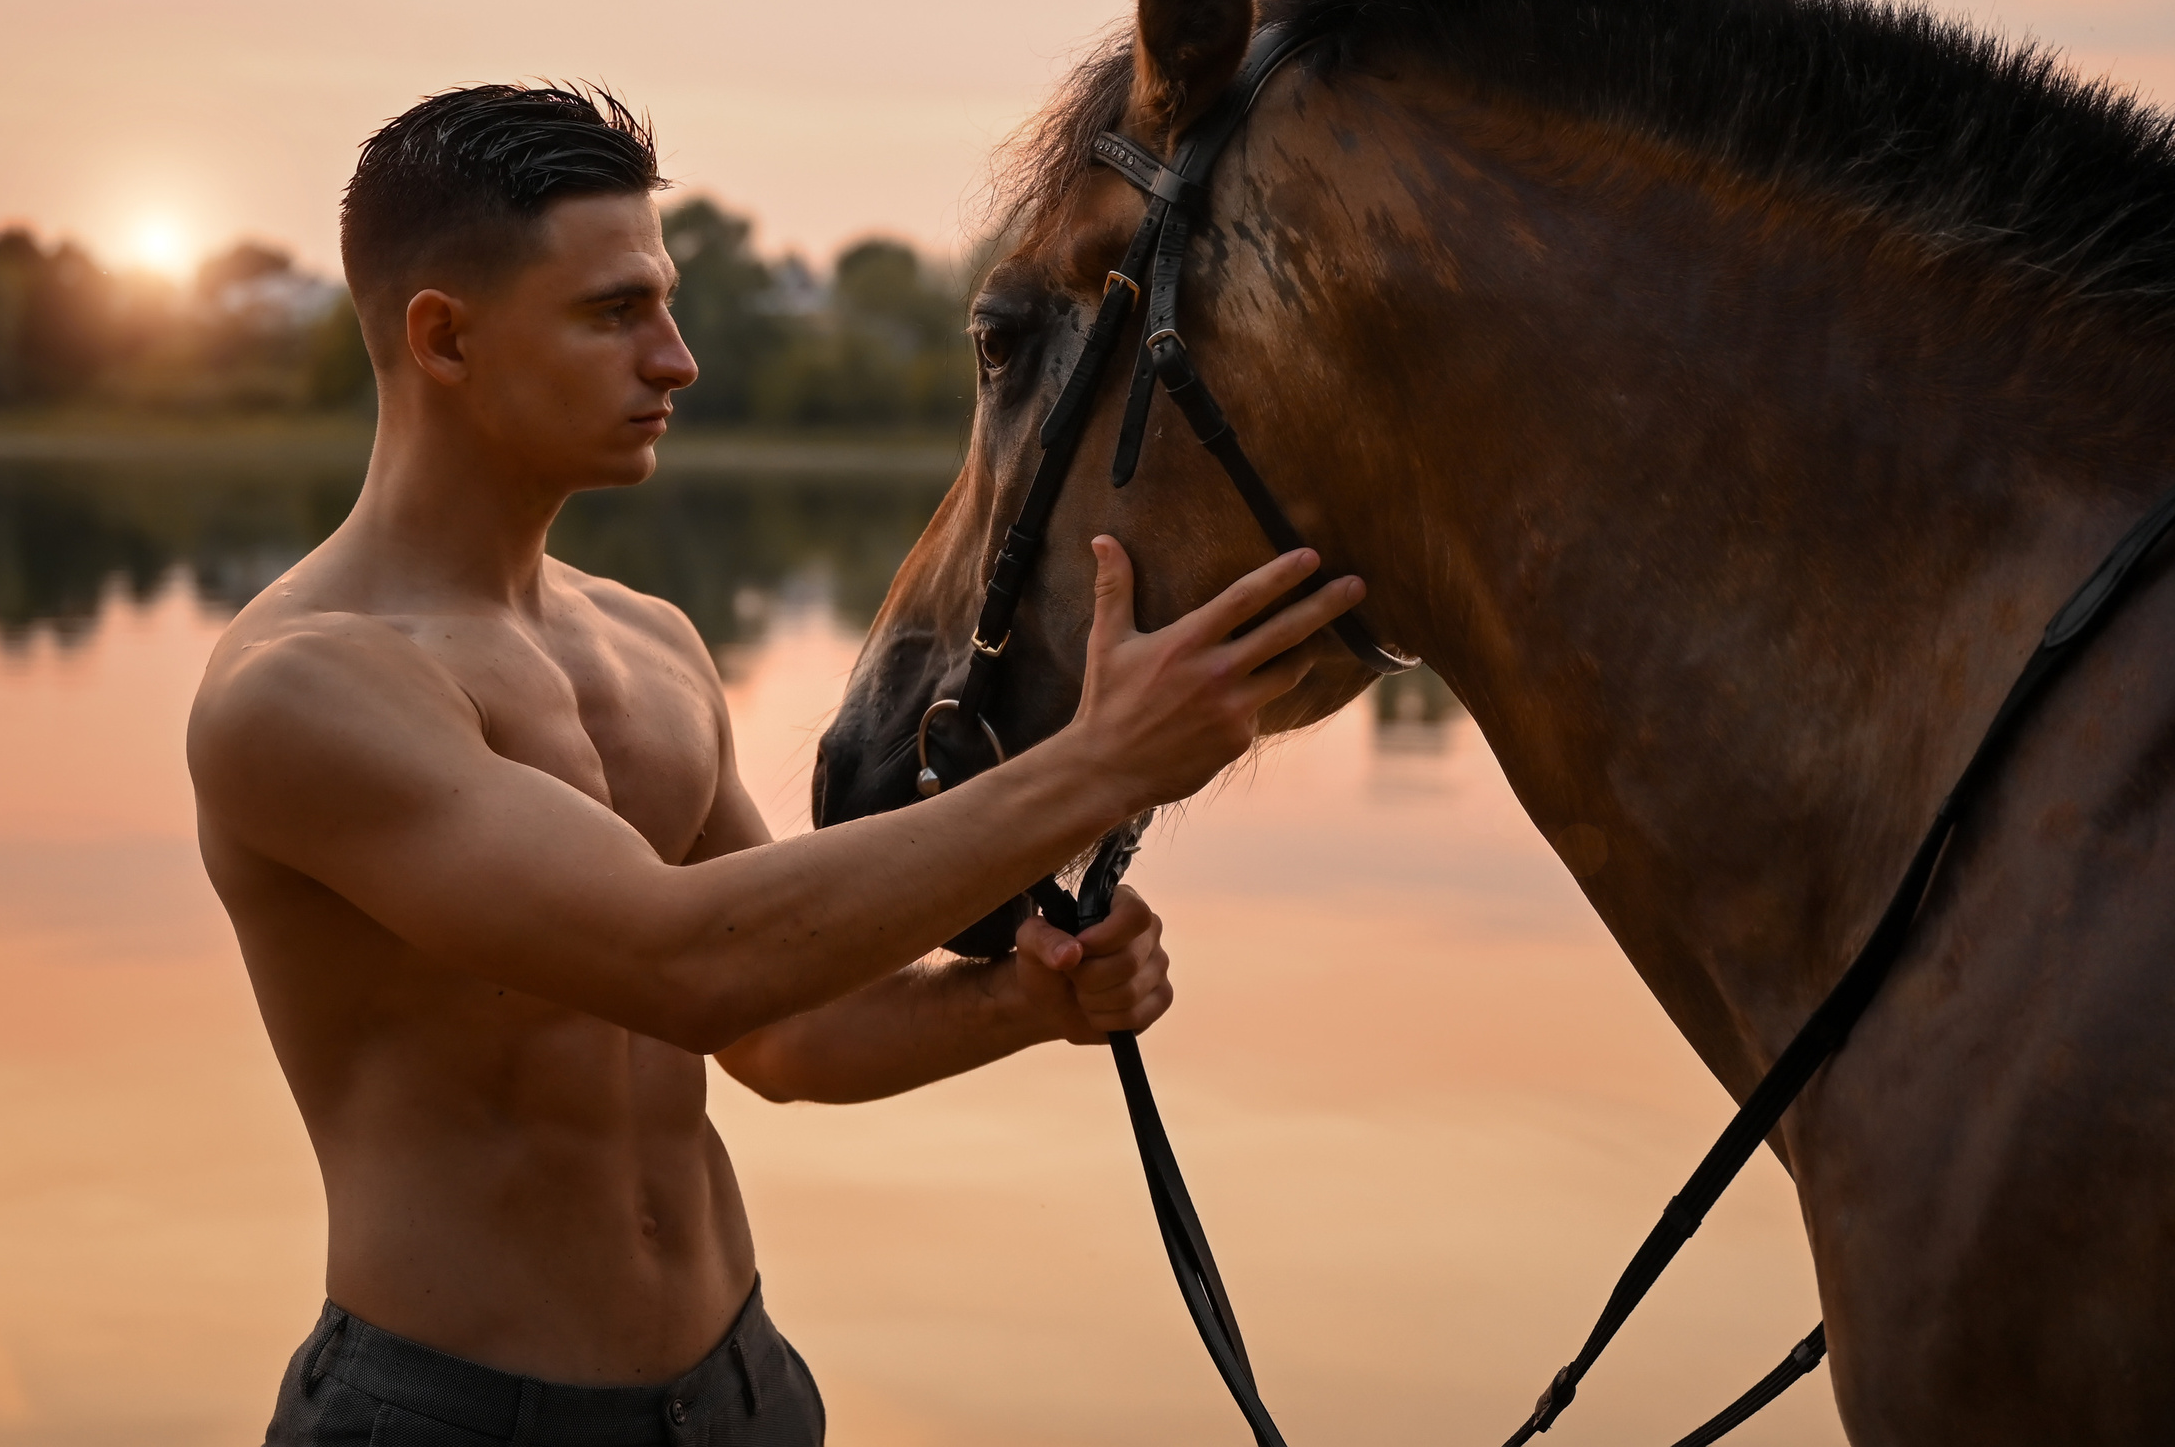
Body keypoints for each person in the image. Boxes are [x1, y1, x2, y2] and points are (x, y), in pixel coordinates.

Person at [185, 84, 1364, 1446]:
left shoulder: (649, 641)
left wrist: (1029, 1003)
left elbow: (778, 1032)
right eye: (614, 313)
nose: (677, 360)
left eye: (666, 304)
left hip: (744, 1393)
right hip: (454, 1421)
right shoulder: (305, 691)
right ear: (444, 338)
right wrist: (1102, 766)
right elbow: (684, 961)